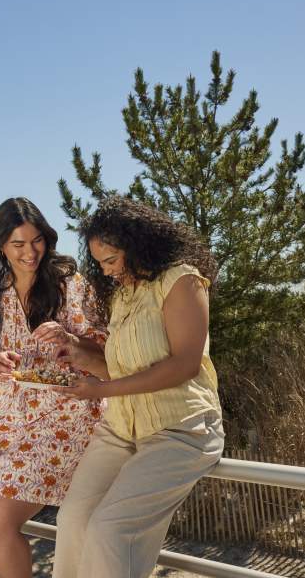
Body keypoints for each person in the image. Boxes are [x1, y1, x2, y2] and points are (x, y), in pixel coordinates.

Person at [51, 195, 225, 578]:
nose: (107, 271)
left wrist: (98, 392)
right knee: (73, 521)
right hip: (123, 428)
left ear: (138, 244)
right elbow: (118, 370)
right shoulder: (125, 294)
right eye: (100, 264)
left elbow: (184, 365)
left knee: (110, 530)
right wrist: (75, 352)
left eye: (111, 260)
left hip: (181, 429)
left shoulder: (182, 279)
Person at [0, 197, 107, 578]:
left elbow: (108, 354)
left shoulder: (72, 286)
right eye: (18, 244)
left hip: (61, 422)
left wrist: (70, 340)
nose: (30, 252)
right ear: (0, 245)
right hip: (0, 423)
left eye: (37, 241)